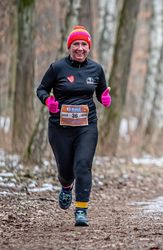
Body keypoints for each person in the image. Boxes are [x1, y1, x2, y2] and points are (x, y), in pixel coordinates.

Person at [36, 25, 111, 227]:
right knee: (66, 170)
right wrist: (48, 102)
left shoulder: (96, 69)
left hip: (86, 126)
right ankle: (66, 186)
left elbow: (102, 92)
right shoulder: (57, 68)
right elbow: (41, 89)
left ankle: (81, 210)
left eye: (84, 44)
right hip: (59, 127)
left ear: (89, 47)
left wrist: (104, 98)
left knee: (83, 165)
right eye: (76, 44)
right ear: (69, 47)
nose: (80, 48)